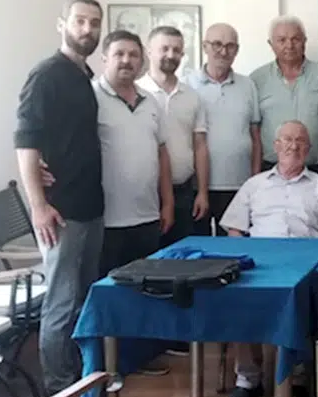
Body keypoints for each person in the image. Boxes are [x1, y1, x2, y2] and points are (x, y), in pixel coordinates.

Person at [14, 0, 105, 397]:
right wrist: (38, 204)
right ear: (62, 24)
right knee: (61, 304)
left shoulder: (83, 76)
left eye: (94, 23)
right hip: (60, 213)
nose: (87, 29)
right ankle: (58, 396)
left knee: (82, 300)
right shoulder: (46, 74)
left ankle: (81, 385)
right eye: (80, 21)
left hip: (90, 208)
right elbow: (25, 142)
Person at [219, 120, 318, 397]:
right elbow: (235, 229)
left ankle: (297, 376)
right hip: (258, 265)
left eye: (300, 140)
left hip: (305, 264)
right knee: (240, 303)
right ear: (275, 146)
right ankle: (248, 379)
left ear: (309, 148)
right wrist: (243, 261)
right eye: (287, 139)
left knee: (307, 302)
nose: (293, 145)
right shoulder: (254, 185)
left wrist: (316, 264)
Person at [93, 30, 174, 275]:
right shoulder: (91, 97)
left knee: (147, 286)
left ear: (141, 61)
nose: (126, 60)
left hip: (148, 217)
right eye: (119, 54)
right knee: (109, 287)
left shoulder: (150, 101)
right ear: (104, 58)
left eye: (133, 55)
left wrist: (168, 203)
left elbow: (162, 153)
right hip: (105, 221)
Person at [184, 23, 263, 234]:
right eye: (217, 44)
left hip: (240, 185)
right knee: (200, 248)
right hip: (198, 186)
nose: (223, 51)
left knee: (235, 248)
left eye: (230, 46)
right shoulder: (187, 85)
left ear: (237, 50)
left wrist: (255, 182)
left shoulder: (248, 85)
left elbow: (255, 137)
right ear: (205, 46)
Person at [139, 26, 208, 247]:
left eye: (177, 50)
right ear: (149, 50)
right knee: (149, 257)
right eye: (165, 48)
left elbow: (200, 145)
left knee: (184, 257)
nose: (171, 55)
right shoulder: (136, 93)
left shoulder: (192, 96)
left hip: (184, 191)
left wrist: (202, 192)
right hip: (145, 194)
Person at [250, 16, 318, 178]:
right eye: (281, 40)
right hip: (272, 170)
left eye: (295, 39)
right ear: (270, 44)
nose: (289, 45)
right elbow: (254, 129)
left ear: (305, 41)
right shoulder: (256, 79)